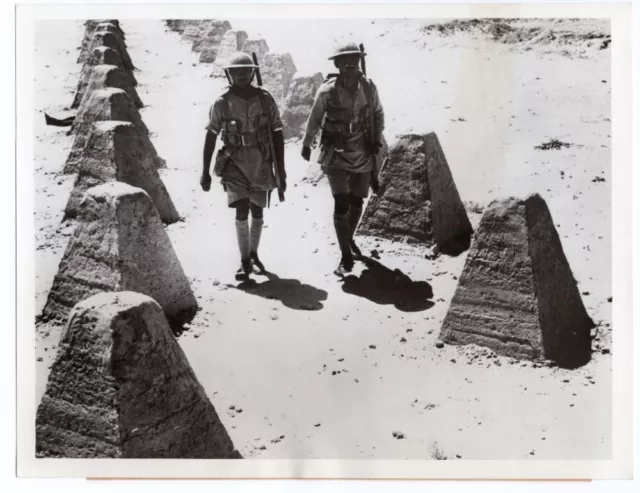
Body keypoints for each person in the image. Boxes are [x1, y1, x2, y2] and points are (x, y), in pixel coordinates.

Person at [300, 42, 385, 275]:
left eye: (354, 60)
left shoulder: (368, 88)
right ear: (336, 64)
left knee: (357, 202)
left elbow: (378, 114)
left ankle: (347, 240)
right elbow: (315, 118)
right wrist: (307, 144)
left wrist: (376, 138)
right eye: (344, 60)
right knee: (341, 202)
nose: (349, 64)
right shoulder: (327, 91)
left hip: (362, 153)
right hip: (335, 155)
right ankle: (346, 256)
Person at [201, 52, 286, 280]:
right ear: (228, 74)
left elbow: (277, 134)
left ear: (253, 72)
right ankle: (244, 261)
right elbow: (210, 136)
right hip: (233, 163)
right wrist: (205, 172)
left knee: (257, 209)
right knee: (241, 209)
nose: (241, 75)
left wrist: (282, 171)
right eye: (236, 71)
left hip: (261, 162)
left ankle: (254, 253)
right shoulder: (222, 103)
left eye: (246, 71)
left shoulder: (265, 100)